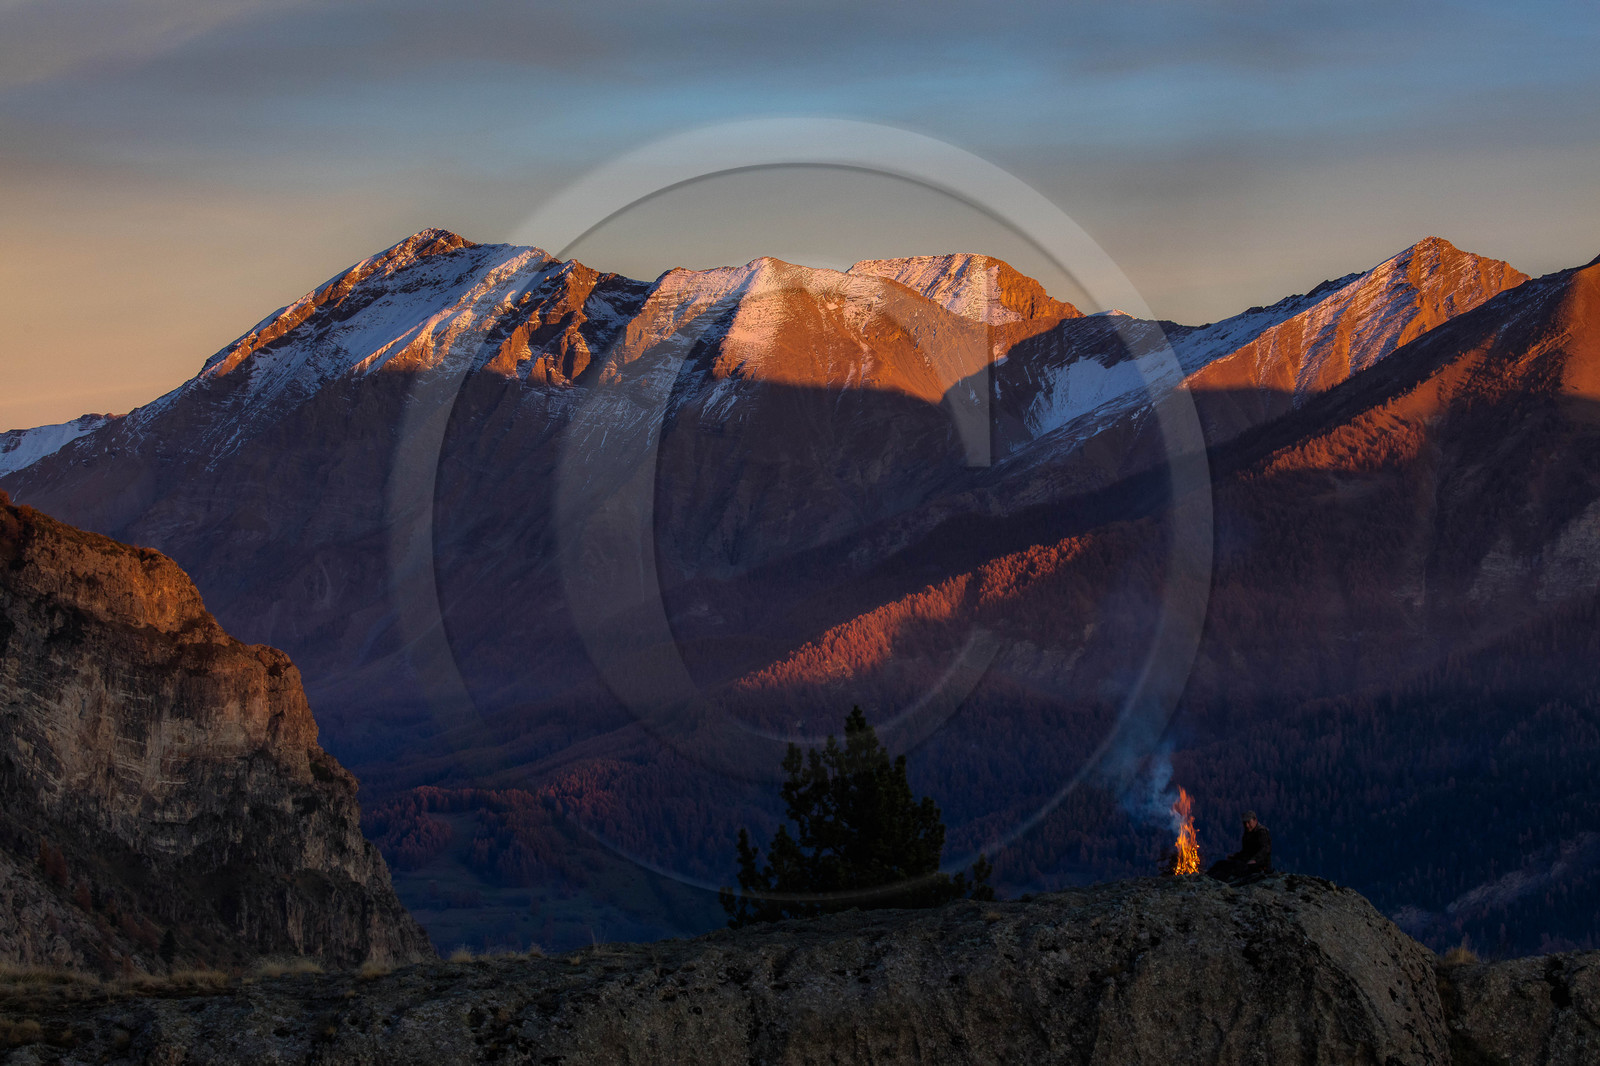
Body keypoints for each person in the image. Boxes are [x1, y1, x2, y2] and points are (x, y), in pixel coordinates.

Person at [1207, 811, 1273, 883]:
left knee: (1232, 868)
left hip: (1259, 866)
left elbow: (1265, 849)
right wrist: (1235, 856)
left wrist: (1255, 860)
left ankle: (1213, 881)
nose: (1247, 825)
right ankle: (1206, 877)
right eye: (1245, 823)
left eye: (1249, 822)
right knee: (1220, 864)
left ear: (1255, 820)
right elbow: (1245, 851)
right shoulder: (1248, 833)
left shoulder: (1261, 832)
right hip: (1247, 862)